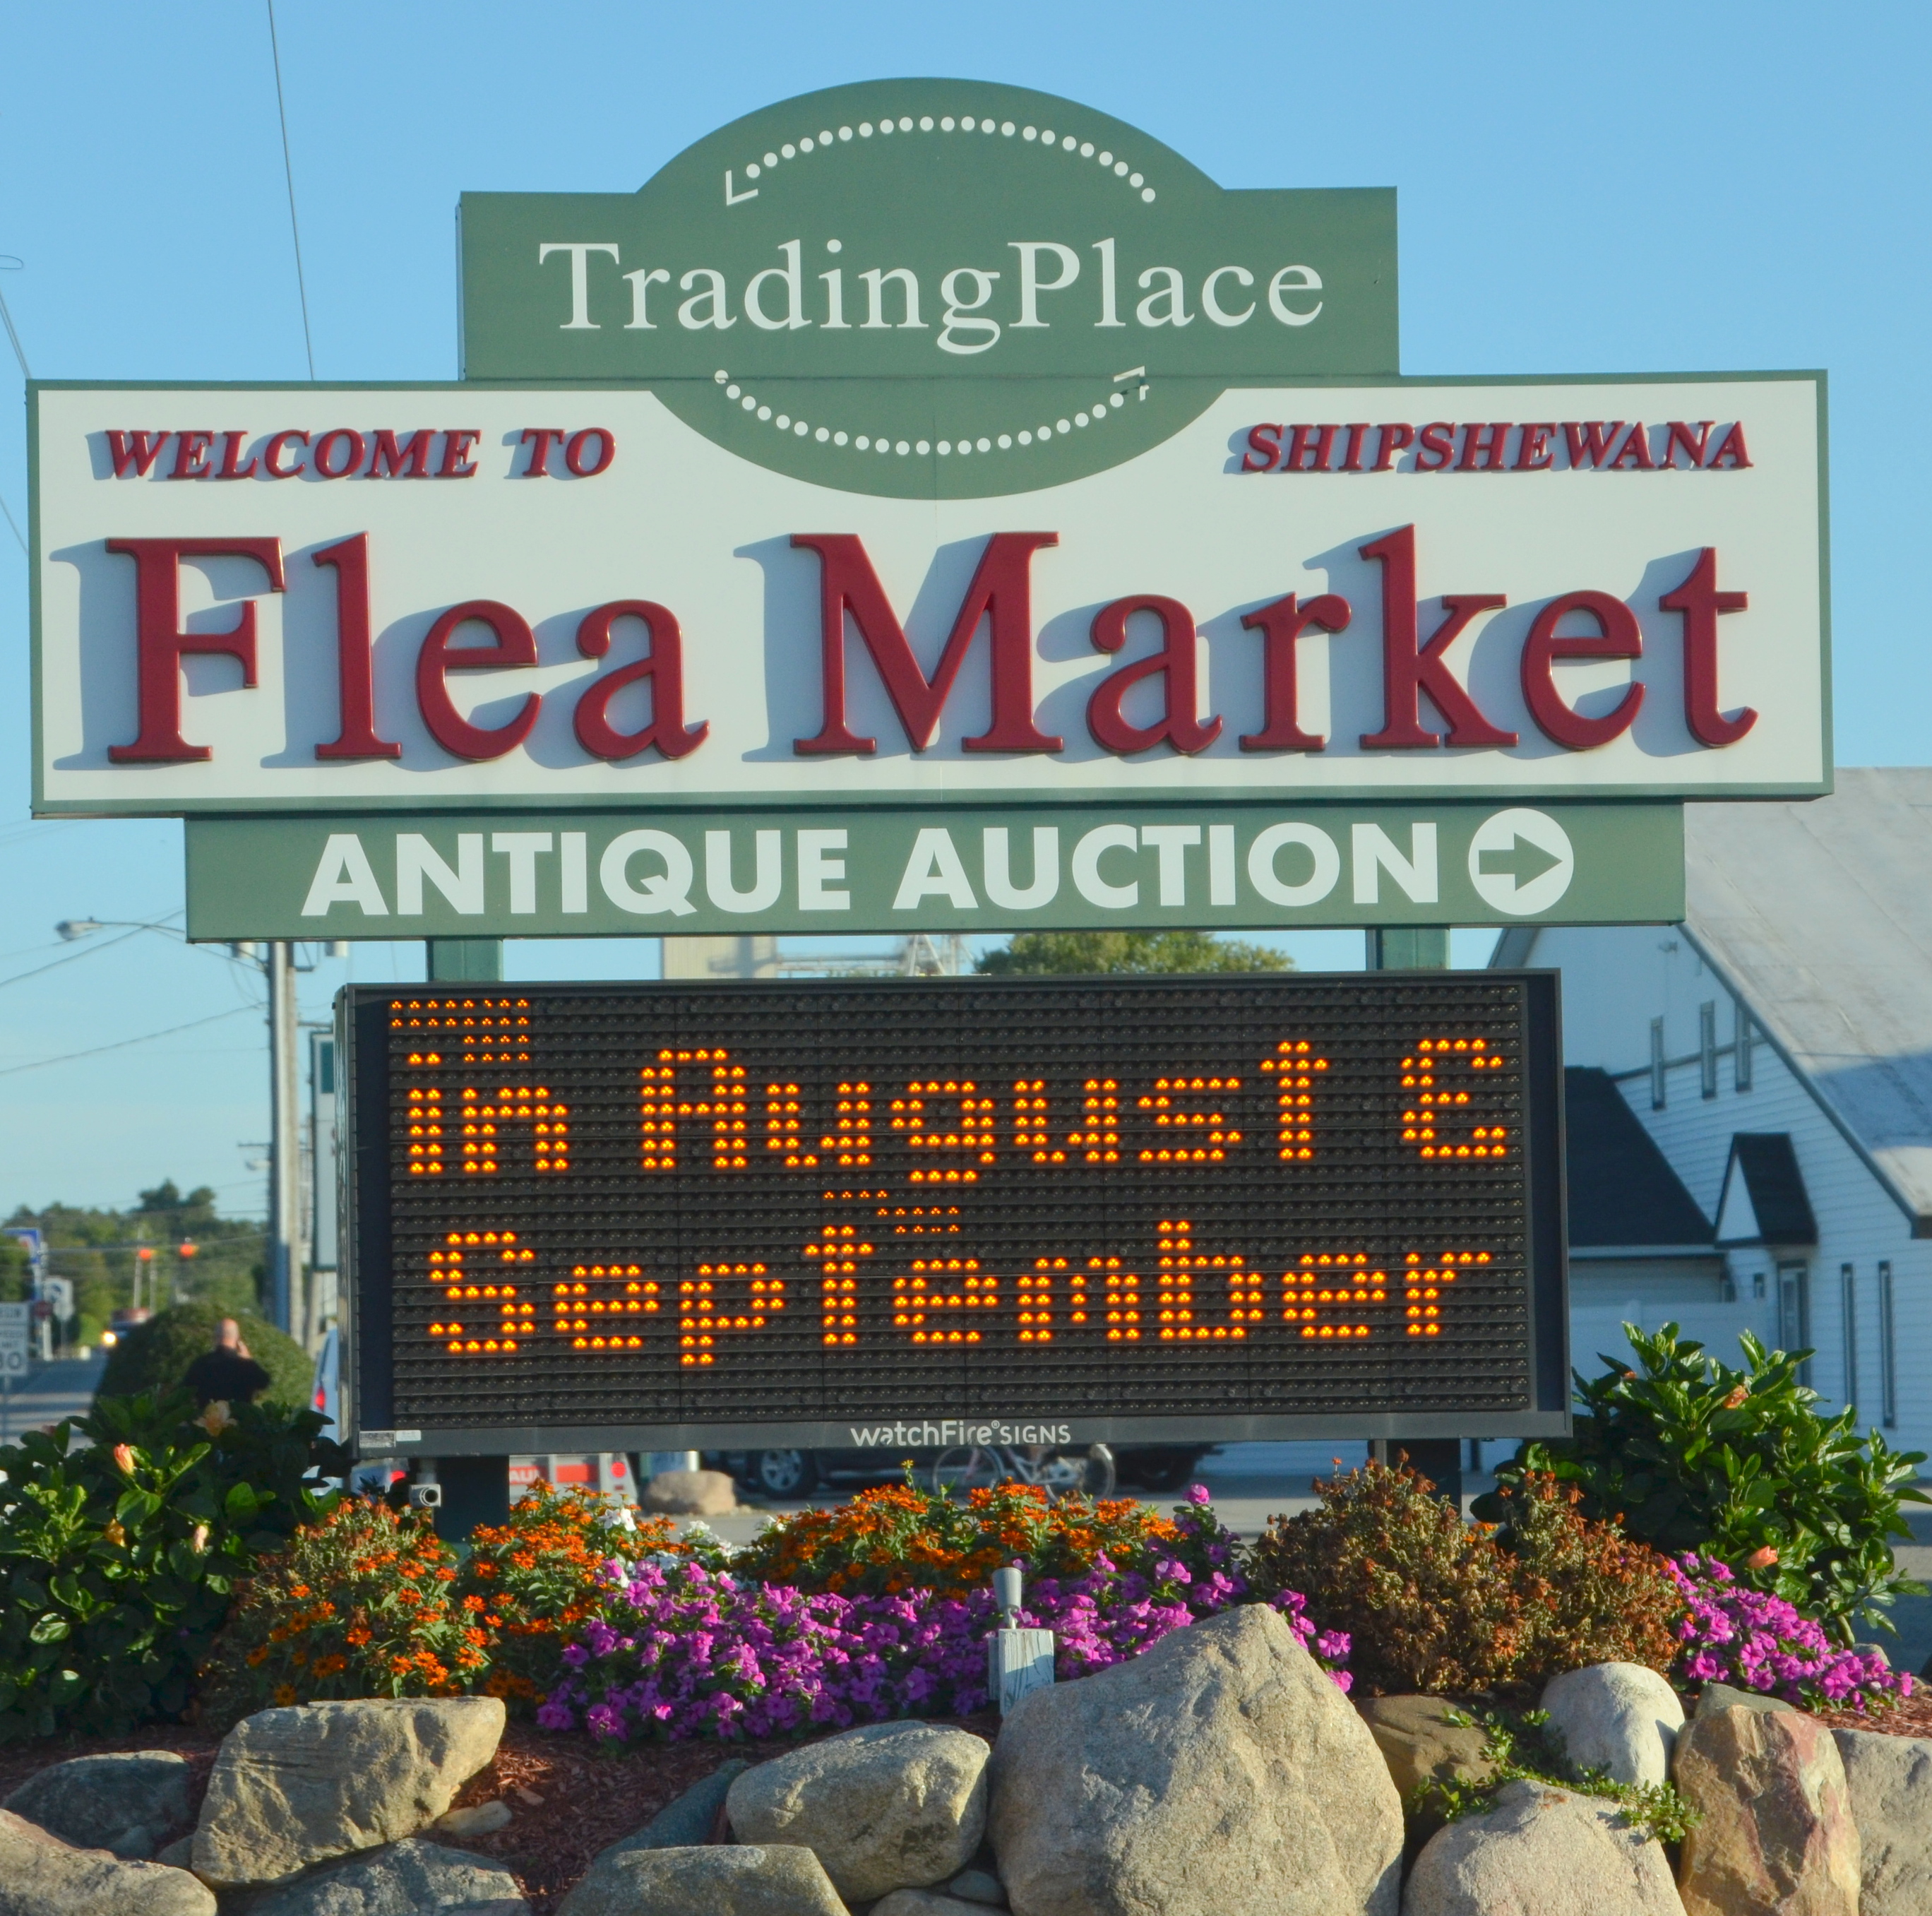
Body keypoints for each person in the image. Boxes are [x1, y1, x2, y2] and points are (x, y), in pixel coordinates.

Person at [183, 1318, 271, 1408]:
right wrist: (248, 1360)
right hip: (240, 1415)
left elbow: (184, 1390)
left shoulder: (201, 1364)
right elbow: (264, 1382)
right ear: (238, 1339)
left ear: (215, 1337)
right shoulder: (246, 1366)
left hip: (209, 1415)